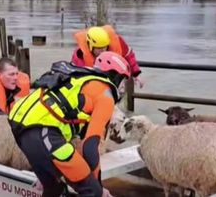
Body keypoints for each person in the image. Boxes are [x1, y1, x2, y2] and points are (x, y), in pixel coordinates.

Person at [8, 51, 131, 197]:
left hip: (22, 131)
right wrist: (98, 185)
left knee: (54, 189)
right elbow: (90, 148)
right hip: (44, 133)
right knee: (92, 191)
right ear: (114, 76)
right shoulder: (105, 95)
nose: (123, 88)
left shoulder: (79, 80)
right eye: (123, 80)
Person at [71, 25, 143, 87]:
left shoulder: (118, 43)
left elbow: (129, 55)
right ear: (90, 46)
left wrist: (136, 74)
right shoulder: (80, 56)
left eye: (104, 47)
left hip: (113, 83)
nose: (103, 51)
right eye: (99, 48)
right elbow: (75, 78)